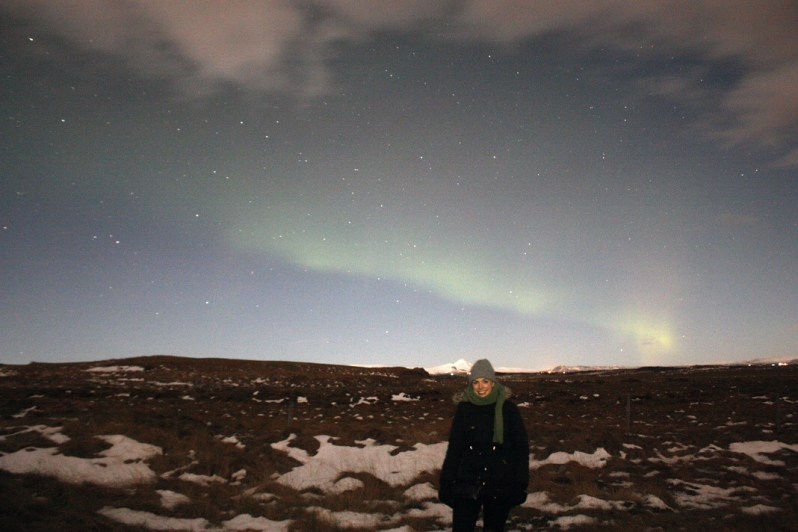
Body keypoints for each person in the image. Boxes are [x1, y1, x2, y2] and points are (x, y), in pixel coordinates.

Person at [439, 359, 529, 532]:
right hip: (467, 479)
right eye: (476, 382)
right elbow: (455, 447)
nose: (480, 387)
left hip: (500, 480)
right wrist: (446, 481)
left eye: (485, 381)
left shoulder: (508, 409)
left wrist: (520, 483)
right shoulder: (464, 409)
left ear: (493, 382)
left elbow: (520, 448)